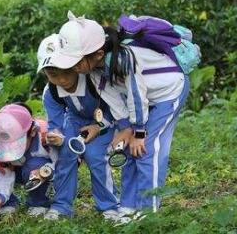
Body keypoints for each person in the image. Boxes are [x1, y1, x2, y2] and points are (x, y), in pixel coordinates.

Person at [56, 11, 190, 215]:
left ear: (98, 54)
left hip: (168, 93)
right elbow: (114, 101)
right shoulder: (92, 70)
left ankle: (148, 212)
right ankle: (128, 207)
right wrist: (125, 127)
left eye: (75, 61)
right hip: (145, 101)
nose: (71, 67)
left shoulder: (123, 57)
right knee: (128, 151)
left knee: (147, 150)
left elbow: (136, 95)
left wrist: (138, 132)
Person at [36, 34, 120, 221]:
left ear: (75, 65)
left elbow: (115, 109)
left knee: (95, 156)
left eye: (65, 71)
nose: (62, 79)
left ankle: (110, 206)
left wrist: (99, 126)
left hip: (104, 123)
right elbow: (55, 124)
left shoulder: (95, 80)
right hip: (74, 123)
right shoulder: (51, 92)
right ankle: (61, 205)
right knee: (65, 154)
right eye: (53, 75)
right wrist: (56, 135)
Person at [0, 103, 56, 218]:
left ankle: (40, 203)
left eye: (17, 144)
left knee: (33, 165)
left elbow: (64, 164)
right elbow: (4, 176)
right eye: (8, 145)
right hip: (18, 172)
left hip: (43, 173)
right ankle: (10, 201)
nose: (12, 149)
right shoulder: (1, 147)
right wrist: (1, 198)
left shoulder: (46, 137)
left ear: (32, 132)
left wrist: (46, 171)